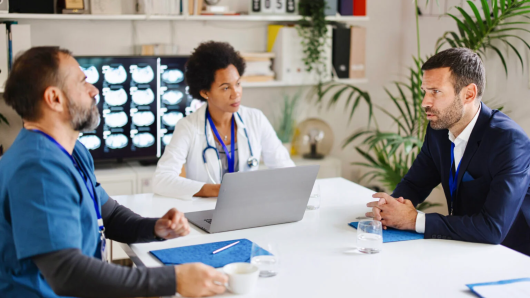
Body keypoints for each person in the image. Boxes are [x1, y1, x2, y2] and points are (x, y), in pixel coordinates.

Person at [0, 47, 228, 297]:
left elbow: (108, 216)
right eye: (82, 82)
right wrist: (174, 280)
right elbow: (67, 273)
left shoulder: (73, 152)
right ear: (54, 98)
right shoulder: (37, 170)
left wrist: (154, 228)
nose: (94, 90)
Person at [365, 48, 530, 256]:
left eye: (435, 92)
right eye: (425, 91)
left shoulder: (509, 141)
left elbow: (493, 228)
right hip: (466, 246)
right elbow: (415, 184)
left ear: (468, 93)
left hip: (513, 257)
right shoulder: (439, 130)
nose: (425, 102)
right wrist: (389, 209)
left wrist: (415, 220)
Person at [153, 41, 295, 199]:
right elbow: (161, 180)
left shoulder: (255, 119)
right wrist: (216, 190)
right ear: (205, 92)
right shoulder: (188, 127)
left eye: (238, 84)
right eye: (226, 88)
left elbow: (286, 168)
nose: (236, 94)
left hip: (247, 207)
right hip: (204, 212)